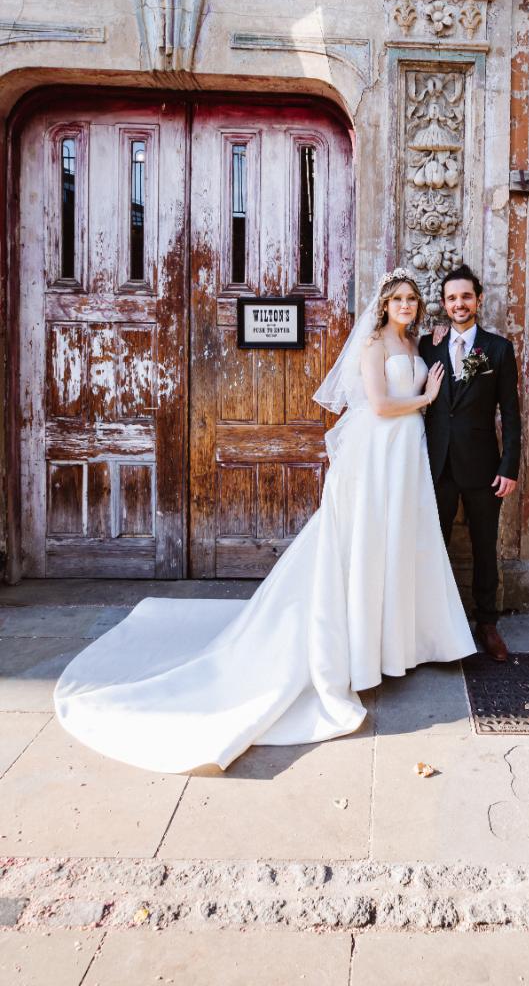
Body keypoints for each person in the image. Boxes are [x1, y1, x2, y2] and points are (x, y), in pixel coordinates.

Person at [53, 270, 475, 774]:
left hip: (405, 455)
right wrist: (425, 398)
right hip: (378, 453)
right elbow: (382, 406)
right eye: (397, 299)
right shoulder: (371, 344)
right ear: (383, 305)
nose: (406, 305)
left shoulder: (415, 342)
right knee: (362, 547)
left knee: (396, 546)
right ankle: (356, 650)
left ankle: (392, 644)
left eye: (412, 299)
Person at [419, 266, 521, 663]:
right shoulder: (429, 346)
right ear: (443, 305)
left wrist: (509, 466)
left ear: (478, 299)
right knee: (435, 546)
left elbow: (510, 413)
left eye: (465, 296)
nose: (458, 304)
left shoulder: (497, 349)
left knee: (484, 548)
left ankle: (488, 623)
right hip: (437, 466)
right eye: (451, 298)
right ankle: (434, 624)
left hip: (484, 469)